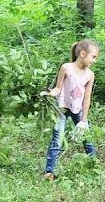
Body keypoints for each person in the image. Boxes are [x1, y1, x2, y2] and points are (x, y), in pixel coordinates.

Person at [41, 39, 99, 180]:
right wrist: (48, 94)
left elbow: (86, 98)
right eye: (94, 57)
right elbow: (58, 88)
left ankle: (96, 166)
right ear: (83, 54)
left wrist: (83, 121)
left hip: (77, 110)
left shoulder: (90, 75)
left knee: (87, 138)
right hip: (61, 108)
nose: (95, 61)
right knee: (57, 138)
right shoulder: (66, 68)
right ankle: (49, 172)